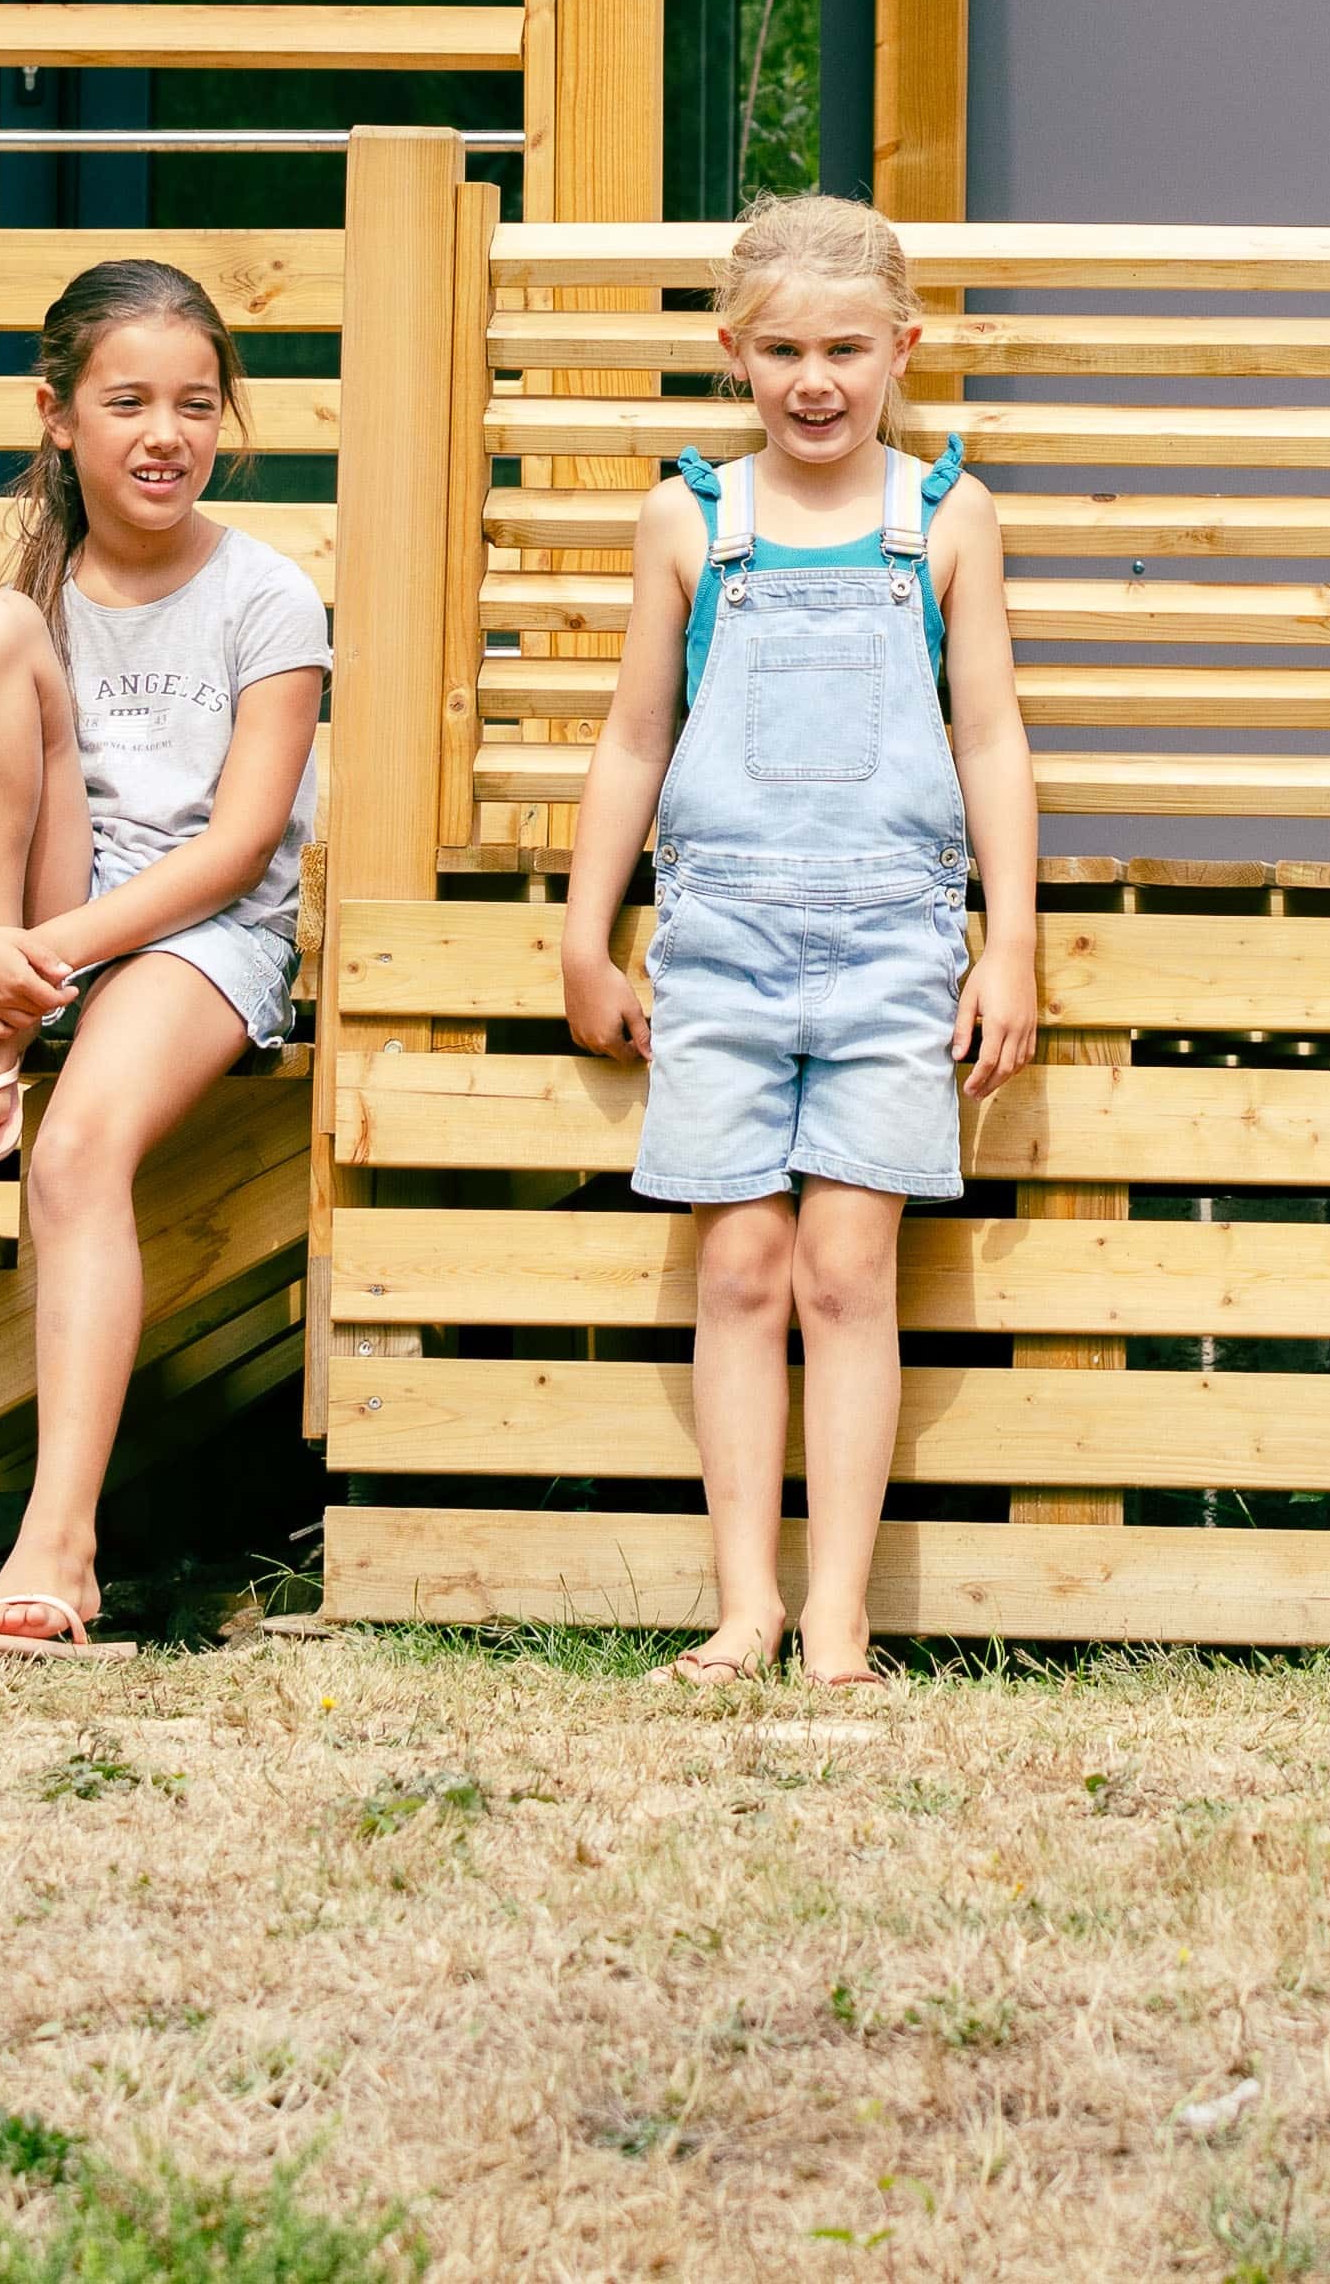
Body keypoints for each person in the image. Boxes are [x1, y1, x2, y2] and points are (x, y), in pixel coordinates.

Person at [546, 189, 1044, 1688]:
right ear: (732, 354)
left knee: (846, 1275)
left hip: (896, 951)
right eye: (781, 351)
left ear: (903, 347)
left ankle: (838, 1616)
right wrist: (587, 933)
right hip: (722, 952)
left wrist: (1006, 943)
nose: (813, 380)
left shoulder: (941, 515)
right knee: (743, 1275)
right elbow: (637, 739)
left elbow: (993, 738)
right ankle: (742, 1606)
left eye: (844, 347)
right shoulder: (693, 518)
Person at [0, 251, 326, 1656]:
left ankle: (57, 1554)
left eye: (197, 405)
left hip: (207, 930)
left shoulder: (268, 596)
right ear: (57, 415)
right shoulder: (41, 596)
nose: (167, 433)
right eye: (129, 400)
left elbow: (240, 845)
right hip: (51, 915)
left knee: (75, 1152)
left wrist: (33, 959)